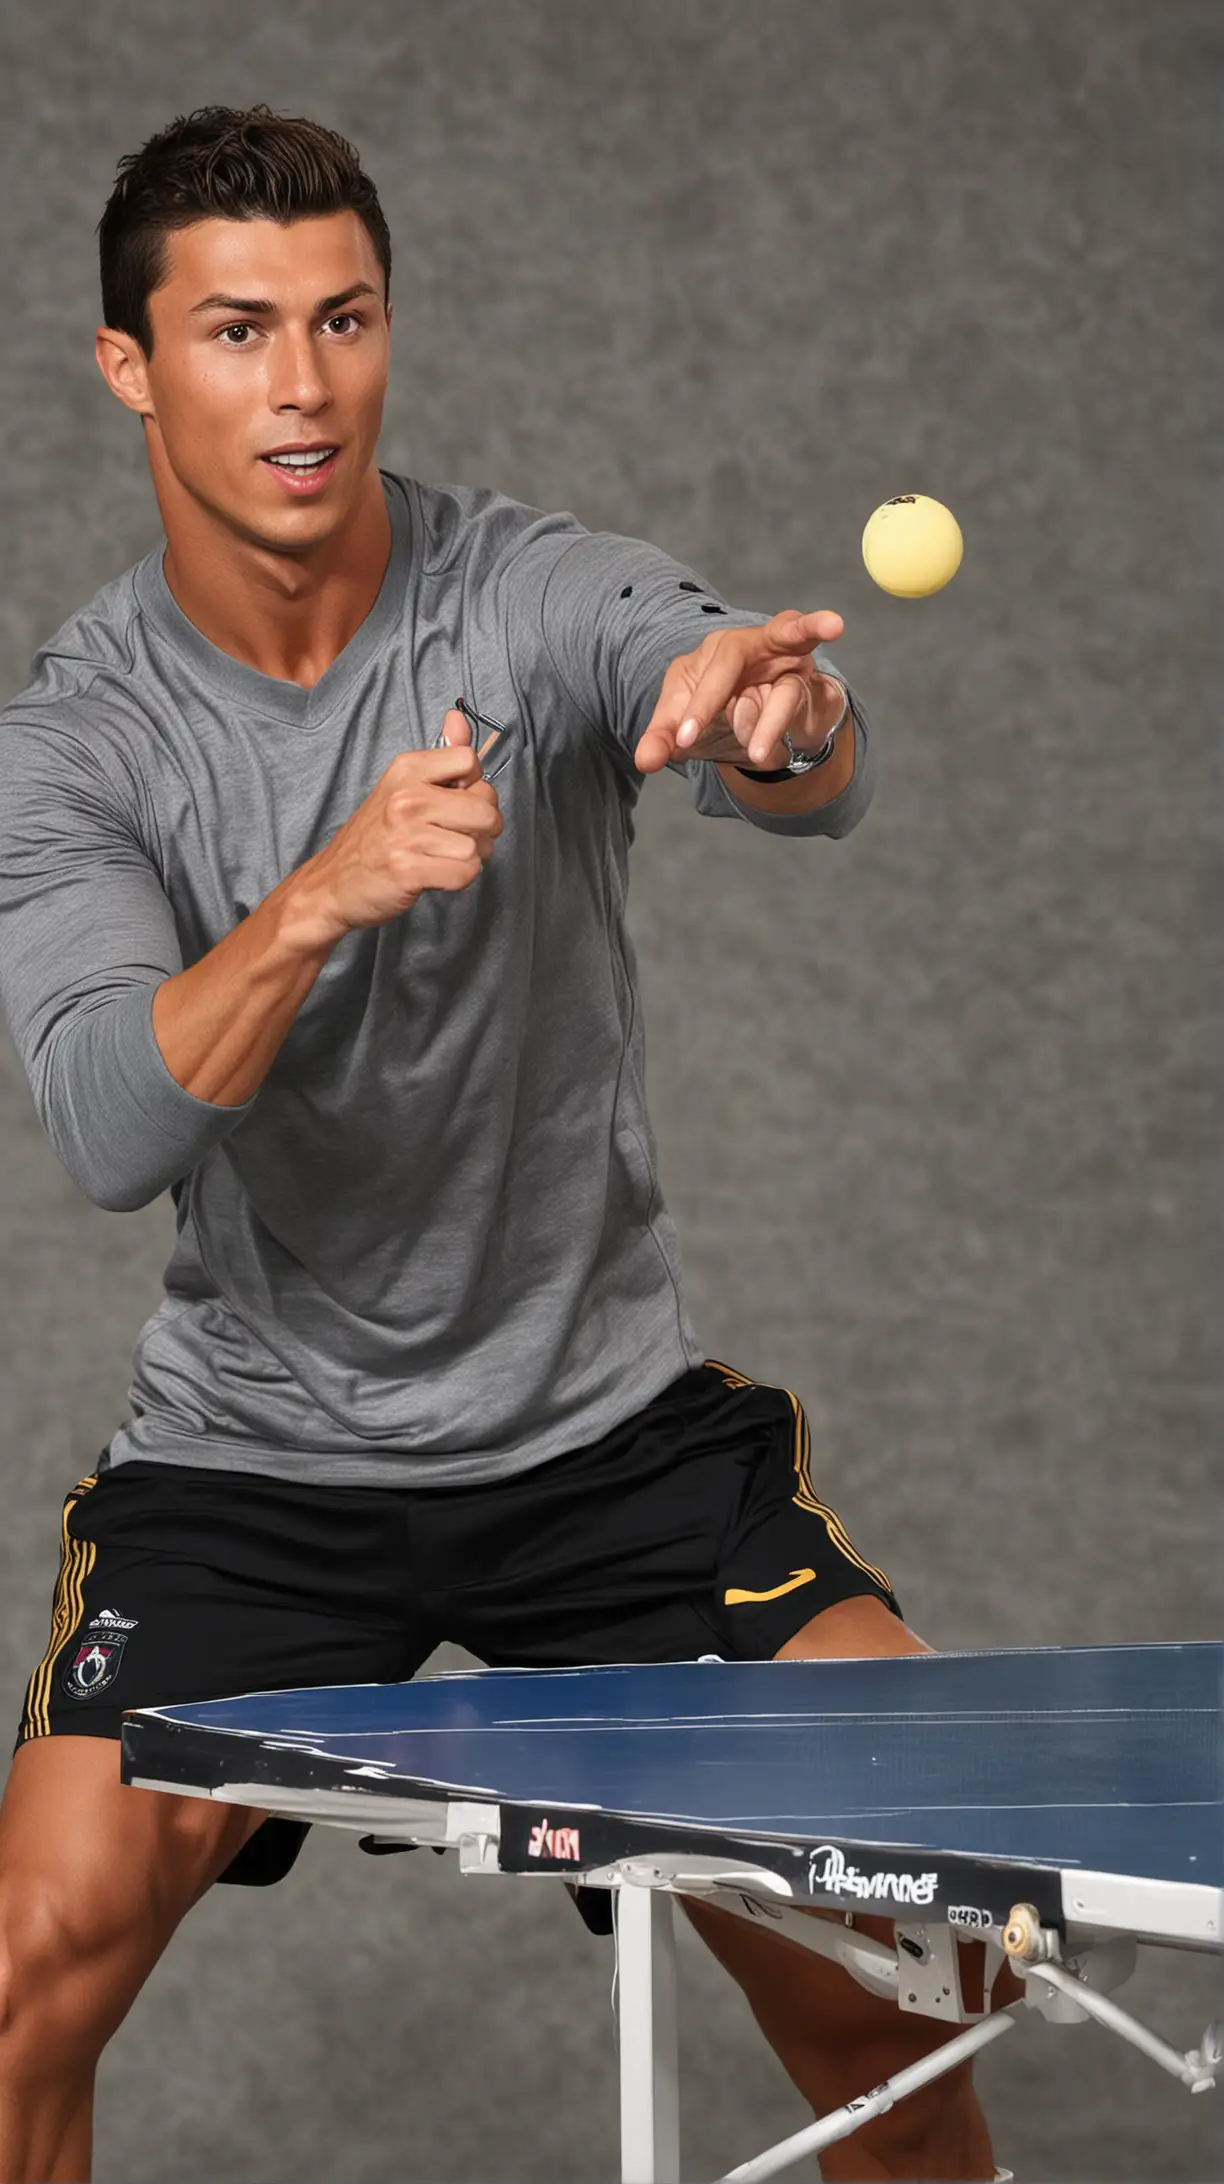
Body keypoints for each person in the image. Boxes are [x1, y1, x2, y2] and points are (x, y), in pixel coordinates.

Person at [0, 107, 1009, 2184]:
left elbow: (735, 703)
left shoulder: (525, 592)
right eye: (240, 330)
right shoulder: (77, 741)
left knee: (915, 1968)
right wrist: (319, 896)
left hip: (605, 1453)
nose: (304, 387)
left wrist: (774, 720)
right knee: (30, 1962)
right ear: (134, 367)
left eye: (346, 321)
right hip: (256, 1470)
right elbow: (108, 1121)